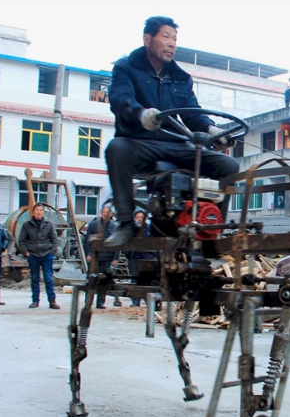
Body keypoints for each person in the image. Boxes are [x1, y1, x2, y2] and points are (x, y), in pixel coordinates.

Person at [104, 16, 239, 247]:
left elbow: (192, 113)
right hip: (140, 143)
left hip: (175, 144)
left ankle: (211, 227)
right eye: (166, 36)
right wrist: (140, 114)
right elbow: (120, 99)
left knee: (229, 166)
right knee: (116, 149)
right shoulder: (125, 67)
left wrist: (212, 129)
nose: (172, 43)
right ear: (148, 39)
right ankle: (126, 222)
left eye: (175, 39)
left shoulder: (180, 78)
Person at [18, 204, 60, 310]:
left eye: (41, 210)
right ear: (33, 211)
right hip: (33, 255)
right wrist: (26, 253)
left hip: (46, 255)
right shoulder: (27, 225)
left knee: (48, 278)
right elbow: (21, 241)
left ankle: (52, 301)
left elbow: (54, 239)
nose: (39, 212)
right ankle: (35, 301)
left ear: (43, 212)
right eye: (37, 210)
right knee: (35, 278)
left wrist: (52, 252)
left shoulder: (49, 224)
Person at [84, 204, 119, 309]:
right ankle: (88, 301)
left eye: (107, 212)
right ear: (101, 213)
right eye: (104, 212)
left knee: (104, 280)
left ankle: (100, 302)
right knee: (91, 279)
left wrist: (115, 257)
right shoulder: (94, 225)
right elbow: (87, 241)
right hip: (94, 257)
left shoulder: (114, 227)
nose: (105, 214)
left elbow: (117, 244)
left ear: (111, 214)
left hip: (107, 257)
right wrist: (88, 253)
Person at [128, 210, 154, 307]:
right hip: (134, 258)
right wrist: (128, 254)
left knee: (147, 280)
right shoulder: (131, 230)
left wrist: (152, 254)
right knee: (134, 279)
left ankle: (148, 302)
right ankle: (135, 301)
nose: (139, 219)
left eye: (141, 217)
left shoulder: (149, 229)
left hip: (147, 257)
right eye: (137, 217)